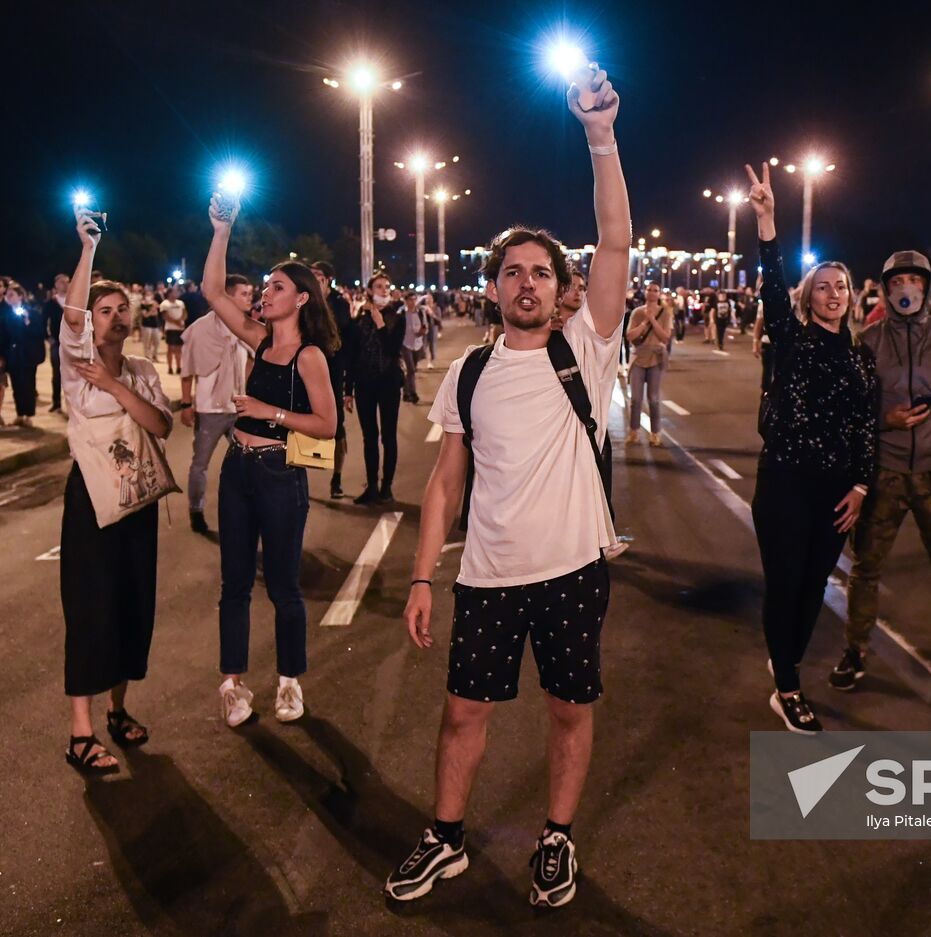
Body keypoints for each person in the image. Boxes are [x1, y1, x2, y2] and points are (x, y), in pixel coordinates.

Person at [385, 65, 628, 909]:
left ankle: (556, 838)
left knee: (569, 710)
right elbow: (445, 485)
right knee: (463, 715)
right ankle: (446, 838)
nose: (528, 283)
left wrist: (599, 133)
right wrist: (421, 574)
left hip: (570, 572)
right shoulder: (470, 371)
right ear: (494, 288)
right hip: (485, 575)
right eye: (512, 272)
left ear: (563, 288)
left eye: (541, 272)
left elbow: (616, 239)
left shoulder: (586, 350)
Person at [743, 162, 877, 734]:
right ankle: (789, 686)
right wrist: (768, 219)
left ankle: (785, 660)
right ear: (807, 298)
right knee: (787, 580)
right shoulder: (793, 339)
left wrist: (861, 485)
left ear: (850, 296)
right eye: (822, 286)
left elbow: (869, 425)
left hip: (835, 490)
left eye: (840, 286)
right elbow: (774, 284)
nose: (833, 294)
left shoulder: (860, 358)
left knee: (815, 584)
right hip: (785, 482)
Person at [201, 196, 340, 730]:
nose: (265, 292)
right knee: (233, 583)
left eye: (277, 286)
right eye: (265, 286)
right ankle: (232, 685)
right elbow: (213, 291)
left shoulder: (309, 356)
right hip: (237, 470)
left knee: (283, 586)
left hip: (281, 475)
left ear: (301, 297)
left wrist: (269, 412)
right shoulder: (259, 340)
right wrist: (222, 229)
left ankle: (289, 682)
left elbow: (326, 424)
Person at [832, 249, 931, 693]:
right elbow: (853, 411)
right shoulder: (869, 340)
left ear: (928, 287)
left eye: (914, 281)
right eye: (897, 282)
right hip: (885, 471)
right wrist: (887, 421)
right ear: (885, 288)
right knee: (866, 566)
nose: (906, 290)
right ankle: (855, 649)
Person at [58, 209, 174, 775]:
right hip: (92, 501)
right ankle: (80, 732)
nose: (116, 317)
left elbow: (161, 426)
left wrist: (117, 386)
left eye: (123, 308)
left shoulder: (143, 369)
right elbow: (74, 312)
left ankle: (117, 709)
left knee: (132, 605)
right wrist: (87, 250)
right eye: (106, 311)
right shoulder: (75, 362)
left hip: (139, 502)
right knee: (89, 608)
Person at [179, 274, 256, 534]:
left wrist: (249, 388)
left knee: (249, 460)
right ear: (228, 296)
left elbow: (254, 358)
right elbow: (187, 368)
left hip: (239, 407)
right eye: (244, 293)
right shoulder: (201, 328)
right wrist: (185, 404)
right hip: (209, 408)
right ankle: (196, 510)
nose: (250, 298)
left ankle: (247, 508)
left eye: (250, 293)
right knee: (200, 463)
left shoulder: (245, 326)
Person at [342, 274, 407, 504]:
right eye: (378, 286)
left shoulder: (397, 313)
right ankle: (371, 486)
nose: (384, 289)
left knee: (388, 436)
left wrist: (380, 324)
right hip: (364, 383)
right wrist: (347, 390)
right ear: (369, 290)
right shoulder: (360, 316)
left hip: (388, 382)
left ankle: (386, 487)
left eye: (386, 286)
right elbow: (351, 354)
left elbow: (392, 349)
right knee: (370, 436)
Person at [312, 261, 353, 499]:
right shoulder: (304, 301)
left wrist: (348, 384)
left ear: (328, 279)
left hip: (333, 369)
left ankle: (336, 477)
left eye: (318, 276)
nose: (313, 279)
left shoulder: (339, 303)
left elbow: (341, 335)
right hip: (308, 367)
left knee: (336, 425)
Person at [624, 281, 673, 446]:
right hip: (639, 358)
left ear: (659, 294)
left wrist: (653, 320)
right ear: (645, 292)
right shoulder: (637, 313)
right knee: (636, 399)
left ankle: (655, 433)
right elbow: (630, 335)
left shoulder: (665, 313)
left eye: (655, 290)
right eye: (649, 290)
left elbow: (665, 337)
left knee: (653, 399)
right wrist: (645, 322)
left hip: (656, 359)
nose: (652, 292)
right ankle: (633, 432)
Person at [2, 282, 47, 427]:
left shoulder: (31, 312)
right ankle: (20, 414)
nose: (8, 298)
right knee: (16, 386)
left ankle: (28, 415)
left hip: (28, 355)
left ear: (20, 296)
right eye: (7, 295)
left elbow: (40, 333)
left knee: (28, 385)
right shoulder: (6, 314)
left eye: (11, 295)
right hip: (13, 355)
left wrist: (28, 323)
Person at [43, 274, 70, 412]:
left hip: (73, 342)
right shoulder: (50, 303)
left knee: (74, 374)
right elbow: (43, 323)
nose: (64, 284)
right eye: (61, 282)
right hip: (57, 343)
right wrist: (49, 338)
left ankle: (74, 403)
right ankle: (56, 403)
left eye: (66, 282)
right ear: (56, 285)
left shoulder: (74, 302)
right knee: (57, 374)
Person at [160, 285, 187, 375]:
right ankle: (170, 367)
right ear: (170, 293)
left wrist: (181, 321)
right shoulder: (165, 304)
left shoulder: (181, 303)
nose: (177, 293)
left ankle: (179, 367)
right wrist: (177, 322)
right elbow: (165, 316)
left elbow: (184, 313)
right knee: (171, 348)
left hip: (180, 328)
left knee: (179, 349)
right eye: (175, 292)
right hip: (170, 329)